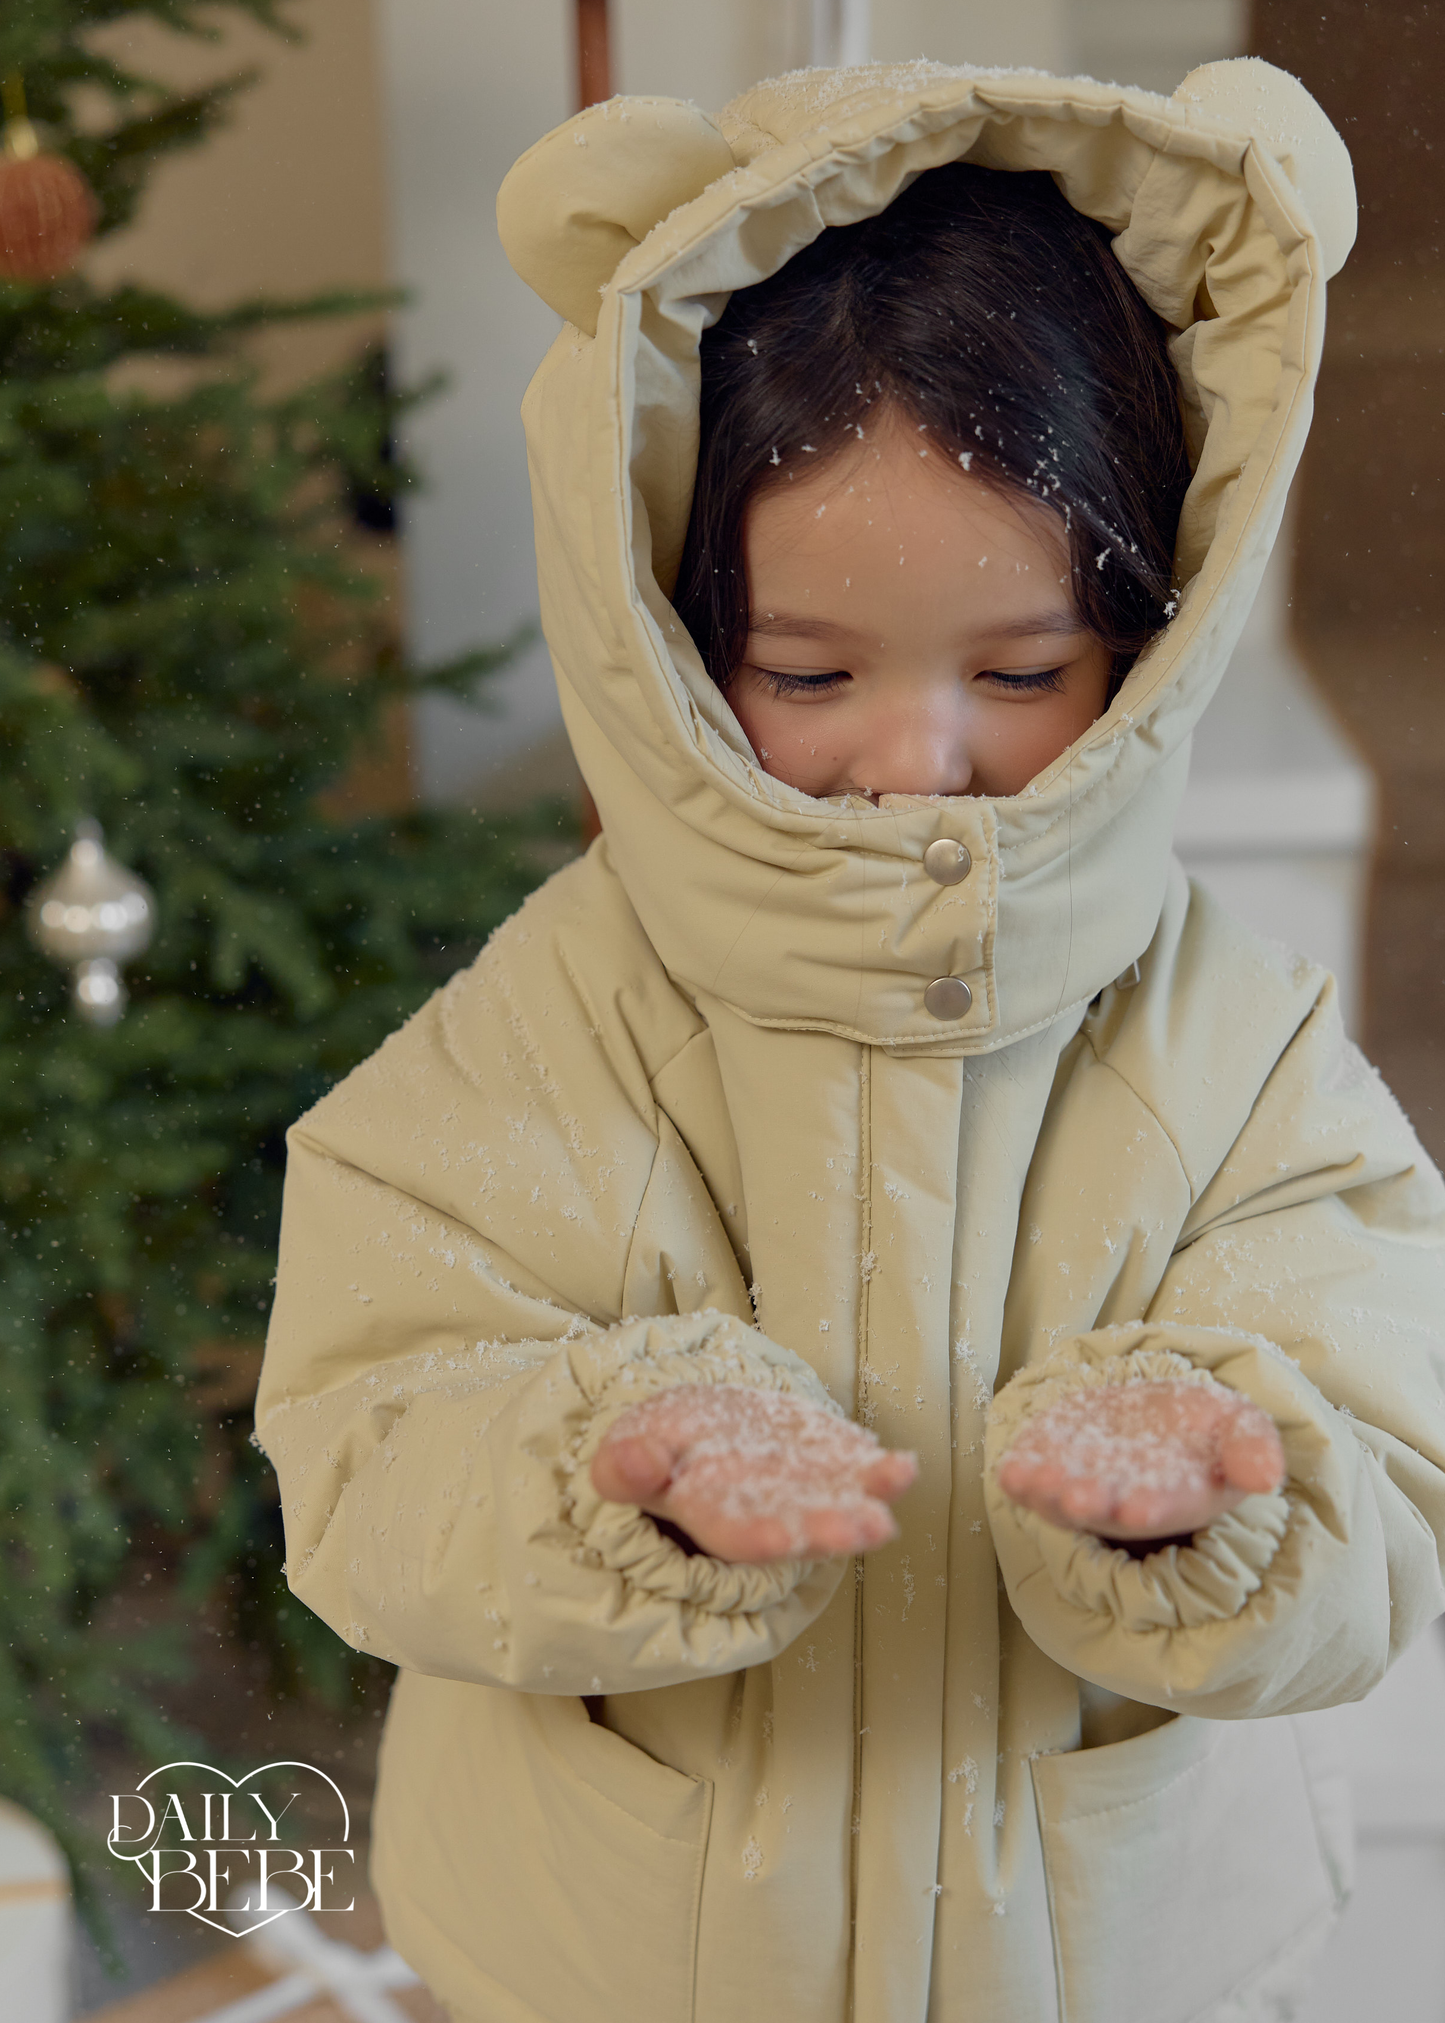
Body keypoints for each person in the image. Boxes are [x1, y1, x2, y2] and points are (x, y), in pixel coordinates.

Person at [255, 58, 1445, 2023]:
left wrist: (1232, 1490)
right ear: (679, 632)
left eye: (1019, 670)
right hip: (625, 1954)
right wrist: (602, 1471)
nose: (916, 760)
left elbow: (1387, 1436)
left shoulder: (1231, 1041)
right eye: (809, 673)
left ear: (1147, 631)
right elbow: (370, 1435)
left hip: (1115, 1948)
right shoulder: (554, 1026)